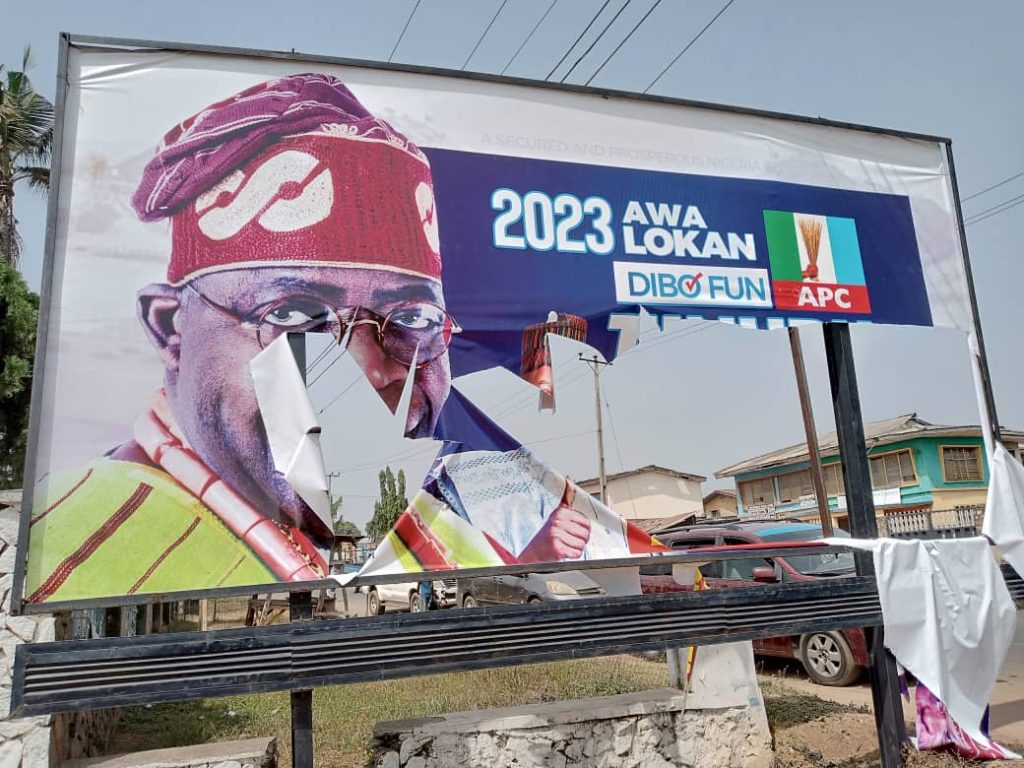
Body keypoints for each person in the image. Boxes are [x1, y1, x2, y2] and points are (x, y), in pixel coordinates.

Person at [24, 73, 596, 604]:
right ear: (170, 328)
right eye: (295, 314)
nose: (370, 374)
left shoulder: (437, 510)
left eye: (414, 317)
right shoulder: (85, 538)